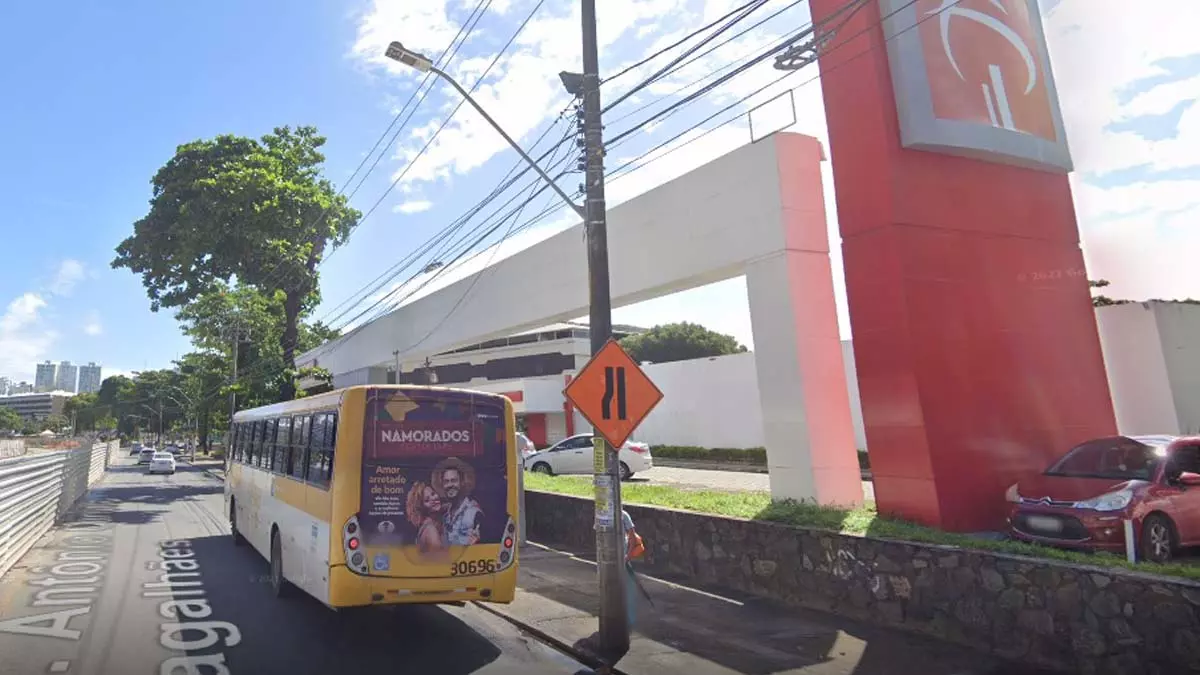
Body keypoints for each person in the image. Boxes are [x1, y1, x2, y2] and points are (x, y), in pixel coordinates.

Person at [435, 457, 483, 546]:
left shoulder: (474, 512)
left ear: (462, 483)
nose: (450, 485)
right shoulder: (444, 515)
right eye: (446, 481)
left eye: (454, 481)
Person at [405, 481, 448, 559]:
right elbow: (443, 561)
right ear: (421, 507)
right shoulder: (430, 530)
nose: (433, 499)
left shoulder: (431, 524)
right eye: (427, 500)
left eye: (433, 494)